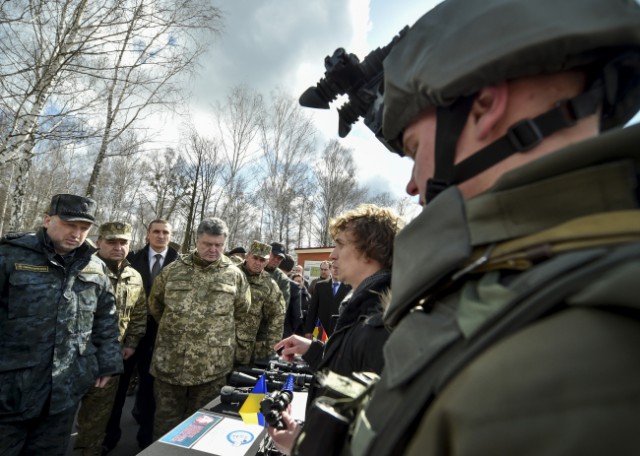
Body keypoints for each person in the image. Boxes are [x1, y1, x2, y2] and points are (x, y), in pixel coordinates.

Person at [302, 0, 640, 454]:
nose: (411, 184)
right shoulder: (519, 277)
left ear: (485, 106)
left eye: (416, 146)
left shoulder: (567, 360)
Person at [268, 204, 403, 454]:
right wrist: (313, 349)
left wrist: (302, 447)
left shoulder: (381, 326)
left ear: (369, 251)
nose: (331, 256)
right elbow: (349, 372)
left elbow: (373, 440)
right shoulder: (364, 309)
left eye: (340, 244)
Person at [0, 194, 122, 455]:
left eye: (84, 228)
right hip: (11, 389)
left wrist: (108, 362)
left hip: (65, 388)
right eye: (70, 224)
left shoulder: (95, 267)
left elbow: (106, 318)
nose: (77, 234)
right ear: (47, 220)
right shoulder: (10, 256)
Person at [149, 217, 252, 440]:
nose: (212, 250)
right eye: (207, 244)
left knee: (203, 426)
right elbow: (156, 305)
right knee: (165, 424)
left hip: (211, 368)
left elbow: (242, 310)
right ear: (197, 240)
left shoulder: (234, 275)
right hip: (170, 362)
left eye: (218, 245)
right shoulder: (173, 270)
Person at [103, 218, 179, 451]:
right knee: (117, 388)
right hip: (127, 336)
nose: (160, 236)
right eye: (156, 231)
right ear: (148, 234)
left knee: (151, 390)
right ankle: (109, 438)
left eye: (165, 232)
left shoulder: (180, 263)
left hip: (160, 336)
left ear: (170, 235)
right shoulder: (131, 258)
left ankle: (145, 441)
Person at [74, 222, 147, 456]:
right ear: (99, 242)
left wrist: (132, 343)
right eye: (112, 242)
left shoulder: (134, 276)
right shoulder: (80, 267)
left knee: (97, 419)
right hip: (73, 358)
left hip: (109, 359)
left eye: (123, 242)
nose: (118, 247)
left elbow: (139, 313)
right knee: (58, 419)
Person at [237, 241, 286, 361]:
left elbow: (277, 315)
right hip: (219, 342)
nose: (258, 263)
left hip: (245, 348)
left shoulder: (269, 284)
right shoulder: (230, 274)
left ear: (267, 262)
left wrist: (270, 349)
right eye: (255, 258)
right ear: (247, 256)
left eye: (262, 260)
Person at [303, 262, 350, 337]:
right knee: (317, 348)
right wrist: (308, 330)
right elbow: (312, 309)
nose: (336, 271)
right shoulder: (320, 286)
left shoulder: (350, 287)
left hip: (340, 330)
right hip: (320, 328)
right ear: (331, 270)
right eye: (334, 268)